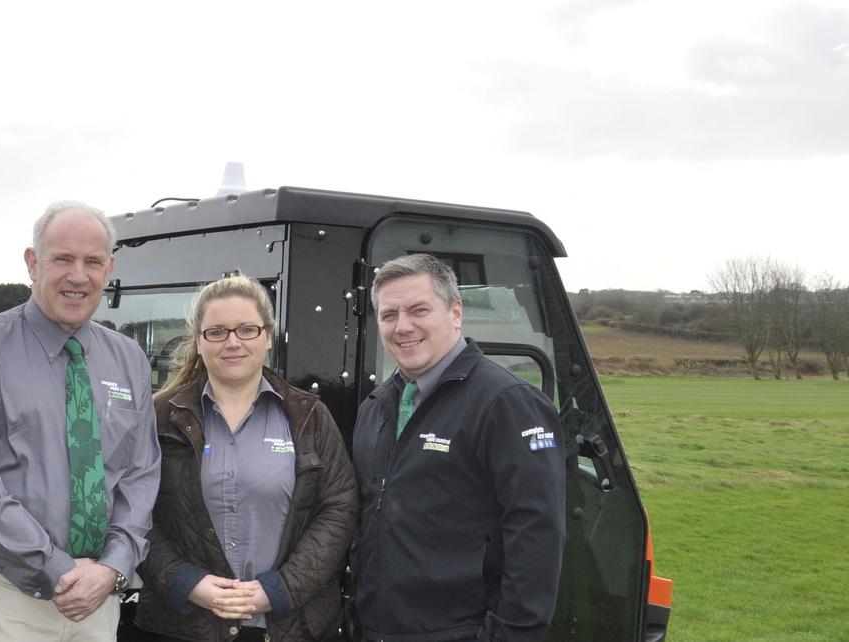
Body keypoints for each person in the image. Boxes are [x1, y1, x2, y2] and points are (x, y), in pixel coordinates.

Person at [0, 201, 162, 641]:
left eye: (92, 262)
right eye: (63, 259)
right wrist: (55, 566)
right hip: (2, 598)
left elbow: (140, 475)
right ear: (32, 263)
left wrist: (113, 567)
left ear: (109, 269)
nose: (78, 276)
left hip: (97, 601)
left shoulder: (129, 359)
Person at [351, 253, 566, 642]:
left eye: (419, 310)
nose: (403, 326)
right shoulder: (376, 407)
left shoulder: (505, 403)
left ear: (455, 312)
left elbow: (536, 534)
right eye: (389, 315)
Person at [134, 276, 358, 642]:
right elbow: (133, 509)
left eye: (247, 329)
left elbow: (339, 508)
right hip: (184, 627)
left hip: (289, 627)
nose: (233, 342)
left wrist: (280, 589)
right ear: (199, 342)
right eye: (217, 332)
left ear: (268, 336)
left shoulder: (310, 417)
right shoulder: (159, 417)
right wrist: (184, 582)